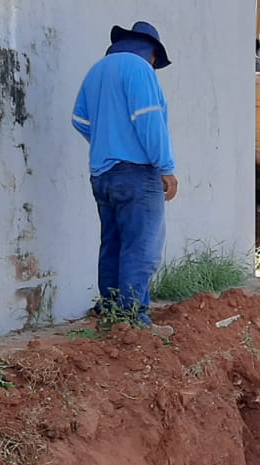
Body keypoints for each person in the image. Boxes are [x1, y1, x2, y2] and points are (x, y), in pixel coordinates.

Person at [72, 21, 178, 334]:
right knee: (141, 249)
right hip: (137, 174)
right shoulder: (140, 69)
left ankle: (110, 315)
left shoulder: (97, 71)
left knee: (113, 245)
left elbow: (79, 121)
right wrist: (166, 168)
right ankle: (134, 323)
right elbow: (149, 122)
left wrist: (107, 143)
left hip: (102, 174)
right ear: (154, 55)